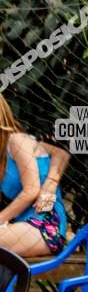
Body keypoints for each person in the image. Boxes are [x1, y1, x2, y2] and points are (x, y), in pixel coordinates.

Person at [0, 94, 70, 257]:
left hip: (46, 224)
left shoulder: (17, 141)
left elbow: (32, 190)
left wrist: (1, 219)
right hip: (21, 224)